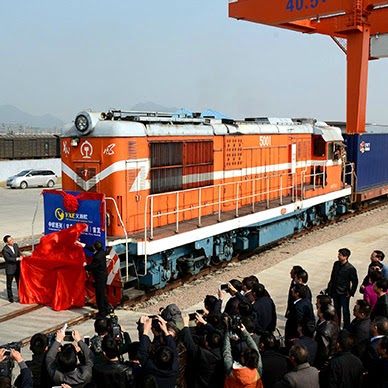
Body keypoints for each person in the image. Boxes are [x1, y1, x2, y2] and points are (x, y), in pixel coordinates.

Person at [327, 248, 358, 330]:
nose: (338, 256)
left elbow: (355, 281)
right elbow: (332, 277)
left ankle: (346, 327)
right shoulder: (336, 264)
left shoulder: (350, 268)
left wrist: (351, 292)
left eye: (340, 255)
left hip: (344, 293)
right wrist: (329, 289)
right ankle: (336, 325)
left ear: (346, 257)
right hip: (335, 291)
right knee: (336, 310)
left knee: (345, 311)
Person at [83, 240, 110, 317]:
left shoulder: (97, 257)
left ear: (95, 247)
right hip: (102, 276)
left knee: (99, 296)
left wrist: (85, 266)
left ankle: (102, 313)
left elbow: (91, 267)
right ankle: (108, 308)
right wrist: (83, 245)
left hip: (99, 278)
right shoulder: (101, 252)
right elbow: (92, 248)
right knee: (102, 294)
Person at [2, 235, 23, 303]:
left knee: (19, 282)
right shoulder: (5, 250)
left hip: (17, 268)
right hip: (10, 269)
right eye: (10, 240)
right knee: (9, 284)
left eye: (12, 239)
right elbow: (8, 259)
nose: (12, 241)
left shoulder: (15, 245)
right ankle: (10, 297)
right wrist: (17, 259)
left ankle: (20, 295)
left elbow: (18, 253)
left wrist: (21, 256)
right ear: (7, 243)